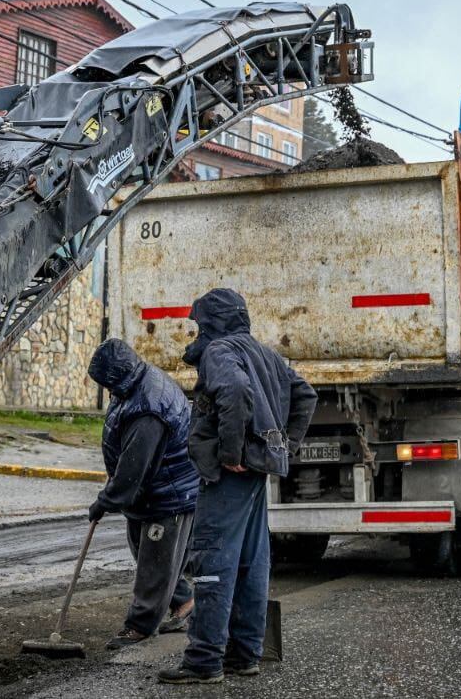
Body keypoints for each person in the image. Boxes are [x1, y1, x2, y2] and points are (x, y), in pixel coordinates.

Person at [159, 288, 317, 685]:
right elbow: (305, 394)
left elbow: (235, 391)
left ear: (214, 322)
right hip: (255, 474)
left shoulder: (220, 352)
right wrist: (282, 446)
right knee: (251, 563)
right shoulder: (264, 352)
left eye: (199, 324)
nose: (197, 333)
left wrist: (232, 451)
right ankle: (245, 655)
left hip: (228, 475)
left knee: (213, 562)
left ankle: (203, 661)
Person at [87, 338, 202, 650]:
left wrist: (105, 501)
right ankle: (184, 602)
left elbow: (133, 469)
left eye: (105, 383)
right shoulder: (137, 382)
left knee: (155, 562)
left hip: (167, 496)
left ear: (115, 376)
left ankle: (139, 627)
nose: (107, 390)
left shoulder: (148, 408)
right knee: (149, 554)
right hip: (155, 494)